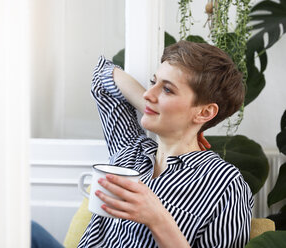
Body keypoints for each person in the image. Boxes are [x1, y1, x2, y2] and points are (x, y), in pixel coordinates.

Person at [77, 40, 253, 247]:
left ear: (205, 112)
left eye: (168, 90)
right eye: (154, 82)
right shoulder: (130, 148)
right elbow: (103, 77)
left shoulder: (224, 185)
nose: (147, 94)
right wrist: (154, 107)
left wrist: (158, 219)